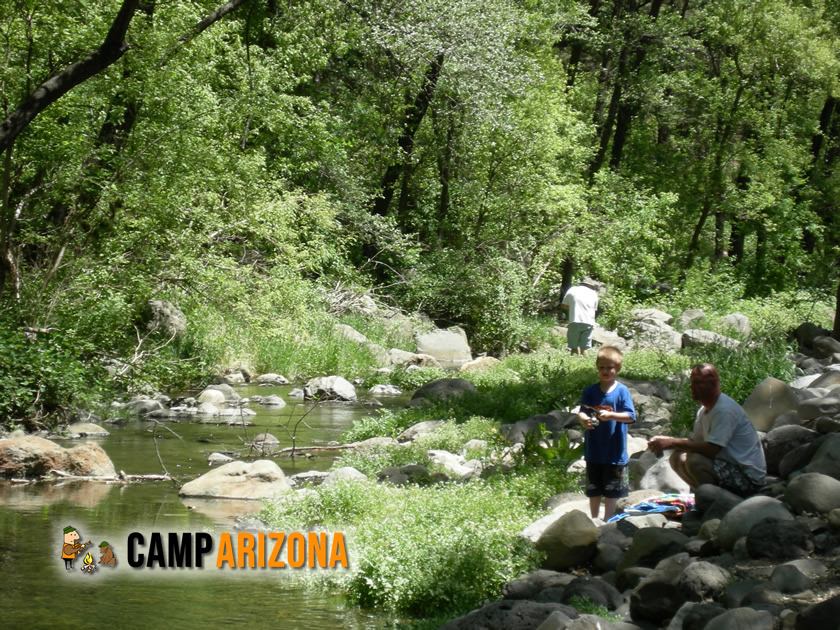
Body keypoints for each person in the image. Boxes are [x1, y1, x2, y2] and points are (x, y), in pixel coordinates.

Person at [648, 363, 766, 497]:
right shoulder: (704, 411)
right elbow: (695, 442)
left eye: (697, 383)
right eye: (692, 382)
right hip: (728, 467)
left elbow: (712, 449)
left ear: (713, 384)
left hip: (749, 480)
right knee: (677, 457)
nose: (691, 387)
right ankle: (703, 496)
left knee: (694, 460)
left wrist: (673, 443)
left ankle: (715, 500)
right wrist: (667, 441)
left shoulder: (724, 410)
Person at [577, 346, 636, 521]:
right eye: (602, 367)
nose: (605, 371)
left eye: (609, 367)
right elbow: (582, 410)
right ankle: (594, 518)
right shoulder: (590, 391)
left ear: (617, 368)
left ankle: (608, 518)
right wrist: (584, 419)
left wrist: (611, 415)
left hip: (614, 451)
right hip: (594, 449)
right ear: (597, 367)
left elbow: (630, 416)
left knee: (612, 488)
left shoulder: (622, 391)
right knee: (594, 486)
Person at [561, 277, 599, 355]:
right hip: (589, 323)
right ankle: (585, 363)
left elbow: (564, 305)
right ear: (590, 285)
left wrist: (573, 307)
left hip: (575, 321)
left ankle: (573, 362)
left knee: (573, 347)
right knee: (584, 348)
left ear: (581, 283)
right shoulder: (593, 293)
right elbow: (594, 309)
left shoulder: (573, 290)